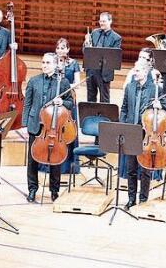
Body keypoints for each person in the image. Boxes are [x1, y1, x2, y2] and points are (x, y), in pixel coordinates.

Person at [23, 53, 73, 202]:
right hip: (35, 124)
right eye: (43, 62)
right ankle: (32, 189)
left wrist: (62, 103)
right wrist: (25, 123)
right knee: (32, 159)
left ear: (56, 65)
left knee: (54, 158)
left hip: (52, 126)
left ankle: (54, 190)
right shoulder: (33, 81)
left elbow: (70, 102)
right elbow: (27, 103)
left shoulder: (62, 82)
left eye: (48, 62)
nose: (44, 65)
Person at [119, 61, 166, 209]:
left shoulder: (155, 89)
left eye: (138, 70)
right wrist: (124, 125)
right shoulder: (129, 87)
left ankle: (143, 199)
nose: (135, 72)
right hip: (131, 131)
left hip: (147, 134)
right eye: (135, 70)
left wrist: (160, 106)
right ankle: (131, 199)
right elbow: (124, 108)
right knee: (131, 169)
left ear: (146, 72)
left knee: (145, 170)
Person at [54, 38, 81, 175]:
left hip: (68, 100)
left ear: (68, 49)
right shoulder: (52, 62)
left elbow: (78, 83)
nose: (60, 50)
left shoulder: (73, 63)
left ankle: (68, 165)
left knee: (68, 130)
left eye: (63, 48)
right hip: (54, 100)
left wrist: (65, 86)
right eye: (58, 48)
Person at [84, 11, 122, 103]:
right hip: (92, 70)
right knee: (90, 97)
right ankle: (90, 116)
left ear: (110, 21)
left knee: (104, 99)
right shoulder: (94, 33)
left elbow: (114, 56)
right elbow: (85, 51)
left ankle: (104, 117)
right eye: (100, 21)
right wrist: (86, 44)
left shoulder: (116, 38)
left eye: (104, 21)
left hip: (104, 72)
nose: (101, 23)